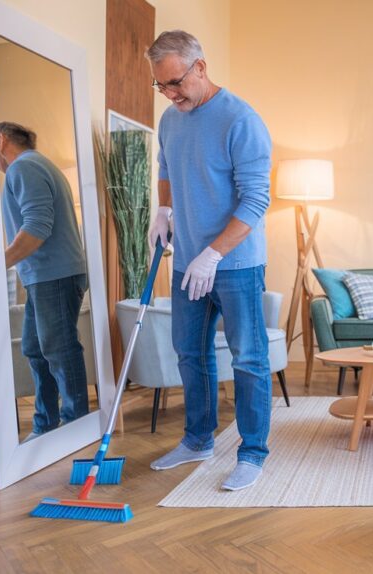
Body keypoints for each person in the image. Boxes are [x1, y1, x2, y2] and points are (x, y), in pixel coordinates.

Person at [145, 30, 273, 492]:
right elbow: (165, 167)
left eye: (176, 82)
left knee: (249, 357)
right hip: (187, 262)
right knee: (189, 352)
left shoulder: (241, 120)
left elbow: (257, 201)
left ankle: (253, 453)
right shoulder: (170, 119)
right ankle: (198, 439)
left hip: (235, 263)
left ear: (200, 67)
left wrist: (214, 253)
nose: (171, 94)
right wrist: (164, 210)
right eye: (161, 86)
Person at [0, 121, 89, 441]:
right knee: (36, 350)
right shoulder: (38, 164)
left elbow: (37, 226)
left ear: (0, 140)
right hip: (46, 276)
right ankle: (45, 425)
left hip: (55, 275)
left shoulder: (23, 167)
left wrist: (0, 263)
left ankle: (76, 427)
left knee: (60, 351)